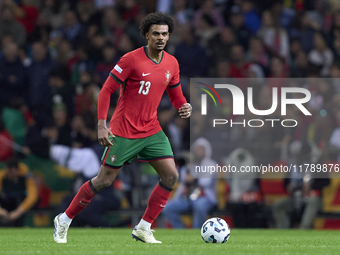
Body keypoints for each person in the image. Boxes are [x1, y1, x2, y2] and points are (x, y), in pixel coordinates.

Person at [53, 12, 192, 244]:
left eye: (164, 34)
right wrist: (101, 125)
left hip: (152, 129)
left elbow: (175, 94)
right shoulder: (131, 59)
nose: (160, 38)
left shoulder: (172, 63)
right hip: (124, 130)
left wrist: (183, 106)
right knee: (103, 181)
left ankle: (143, 227)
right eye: (156, 33)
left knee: (171, 175)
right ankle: (65, 219)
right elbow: (106, 90)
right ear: (146, 34)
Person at [0, 157, 38, 226]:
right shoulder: (2, 175)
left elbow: (32, 196)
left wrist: (18, 212)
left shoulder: (27, 176)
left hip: (21, 206)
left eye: (12, 172)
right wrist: (1, 210)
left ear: (17, 170)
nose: (10, 175)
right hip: (6, 206)